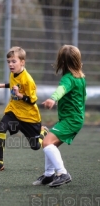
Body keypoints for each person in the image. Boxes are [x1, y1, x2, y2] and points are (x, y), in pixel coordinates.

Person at [0, 46, 48, 171]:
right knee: (1, 128)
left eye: (14, 61)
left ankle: (43, 131)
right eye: (9, 62)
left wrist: (19, 95)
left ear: (22, 62)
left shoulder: (28, 80)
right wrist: (1, 85)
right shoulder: (13, 73)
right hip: (13, 111)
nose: (10, 64)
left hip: (29, 117)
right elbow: (13, 84)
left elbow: (33, 100)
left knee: (35, 146)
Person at [32, 45, 86, 187]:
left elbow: (62, 89)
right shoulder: (80, 78)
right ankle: (49, 175)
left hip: (70, 120)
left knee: (46, 143)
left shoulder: (67, 78)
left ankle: (62, 173)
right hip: (75, 119)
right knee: (52, 144)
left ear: (61, 62)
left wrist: (53, 98)